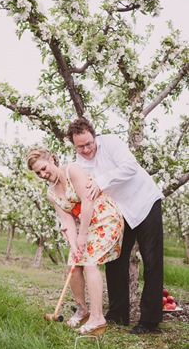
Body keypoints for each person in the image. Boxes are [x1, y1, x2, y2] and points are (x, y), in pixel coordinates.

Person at [67, 117, 164, 334]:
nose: (86, 149)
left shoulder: (110, 143)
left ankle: (150, 321)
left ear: (94, 136)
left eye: (89, 144)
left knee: (152, 260)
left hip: (144, 202)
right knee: (115, 260)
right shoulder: (79, 163)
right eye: (80, 146)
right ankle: (118, 315)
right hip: (119, 212)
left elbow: (130, 167)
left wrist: (101, 181)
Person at [26, 146, 124, 335]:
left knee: (89, 262)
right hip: (85, 228)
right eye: (38, 172)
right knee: (74, 262)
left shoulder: (73, 170)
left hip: (106, 219)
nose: (42, 174)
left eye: (44, 168)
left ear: (52, 160)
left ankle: (97, 318)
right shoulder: (51, 193)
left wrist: (82, 235)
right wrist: (74, 243)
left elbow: (87, 202)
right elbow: (67, 221)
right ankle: (82, 309)